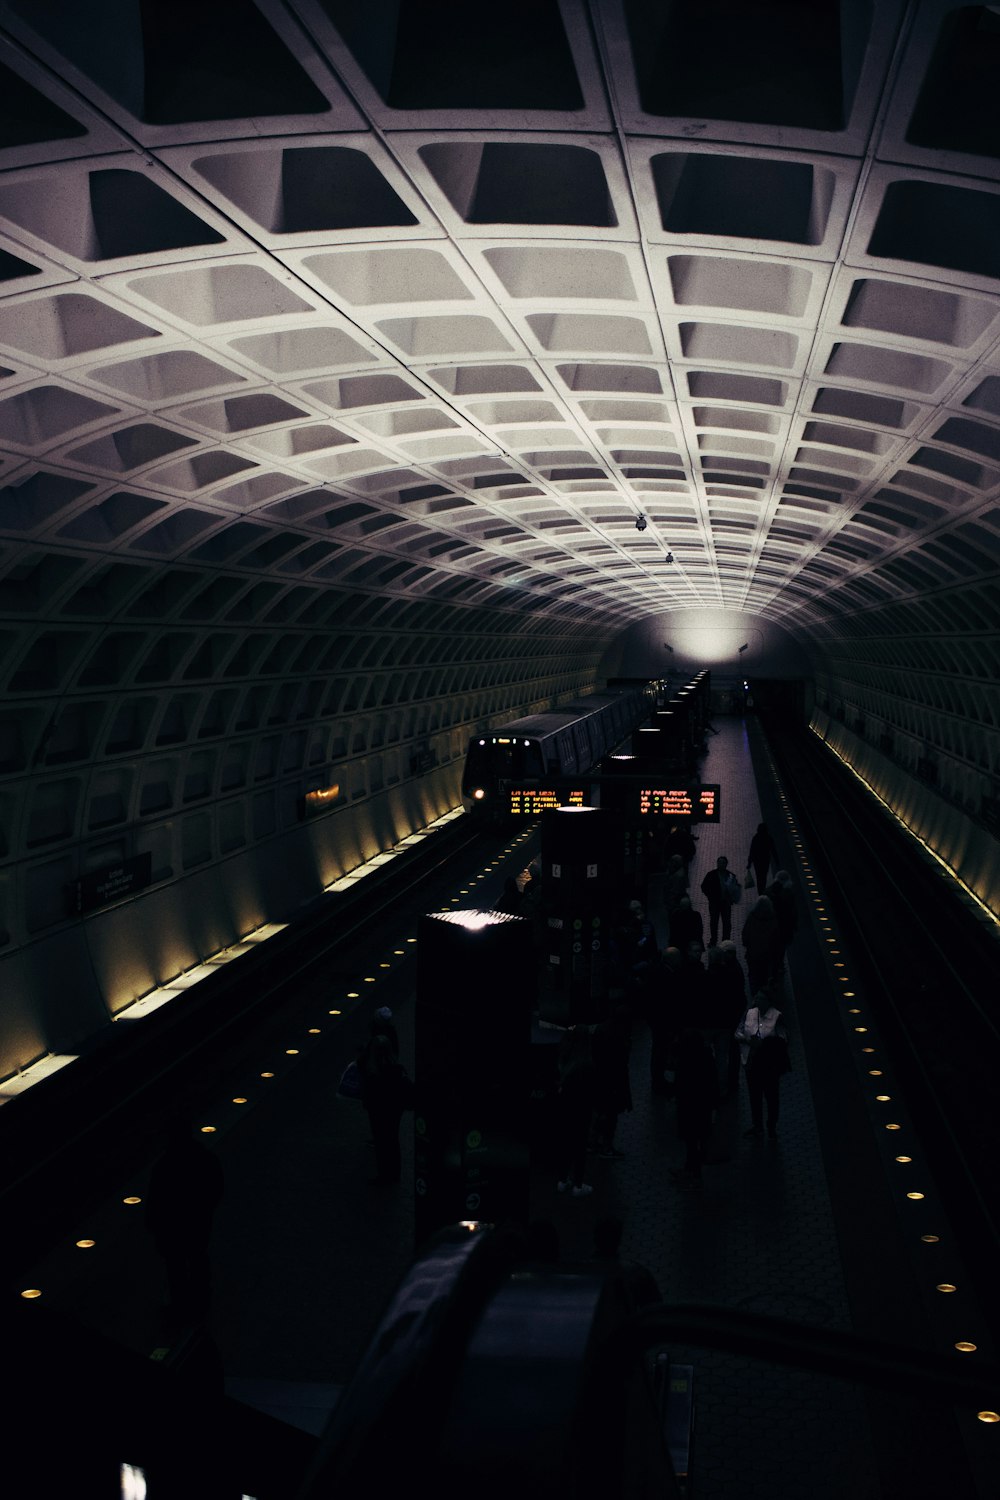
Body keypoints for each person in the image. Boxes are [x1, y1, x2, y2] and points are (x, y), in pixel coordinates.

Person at [145, 1114, 224, 1325]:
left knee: (175, 1266)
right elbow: (216, 1189)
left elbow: (156, 1199)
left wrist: (154, 1224)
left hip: (172, 1227)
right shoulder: (206, 1159)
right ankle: (200, 1298)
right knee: (197, 1257)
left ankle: (179, 1304)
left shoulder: (164, 1166)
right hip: (198, 1222)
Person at [360, 1033, 413, 1184]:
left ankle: (384, 1175)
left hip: (378, 1111)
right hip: (395, 1110)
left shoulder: (373, 1072)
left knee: (382, 1142)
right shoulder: (397, 1069)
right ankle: (394, 1174)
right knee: (392, 1140)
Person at [735, 994, 790, 1139]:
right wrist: (747, 1040)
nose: (757, 1001)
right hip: (752, 1062)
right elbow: (738, 1032)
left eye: (761, 998)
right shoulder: (749, 1014)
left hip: (770, 1064)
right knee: (755, 1096)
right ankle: (758, 1125)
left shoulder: (777, 1017)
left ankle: (771, 1125)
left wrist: (765, 1043)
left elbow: (783, 1038)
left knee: (771, 1097)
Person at [671, 1028, 718, 1187]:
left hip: (689, 1107)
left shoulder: (686, 1060)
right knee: (696, 1141)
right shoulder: (706, 1057)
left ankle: (693, 1174)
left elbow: (680, 1083)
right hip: (702, 1107)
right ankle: (690, 1170)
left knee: (692, 1142)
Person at [555, 1026, 598, 1197]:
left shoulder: (565, 1060)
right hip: (581, 1111)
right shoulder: (586, 1065)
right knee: (579, 1147)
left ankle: (562, 1179)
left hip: (565, 1109)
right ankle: (578, 1183)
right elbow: (591, 1093)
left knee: (565, 1145)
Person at [741, 894, 780, 993]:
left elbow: (745, 935)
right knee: (764, 974)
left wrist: (747, 944)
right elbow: (776, 939)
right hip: (767, 955)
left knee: (753, 974)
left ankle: (754, 994)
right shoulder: (773, 919)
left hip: (752, 954)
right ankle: (763, 994)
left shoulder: (752, 917)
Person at [700, 855, 738, 946]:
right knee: (714, 922)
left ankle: (725, 941)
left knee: (726, 923)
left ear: (726, 864)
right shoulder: (711, 875)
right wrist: (710, 897)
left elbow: (735, 889)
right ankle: (714, 940)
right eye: (719, 862)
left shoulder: (730, 876)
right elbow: (704, 886)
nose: (720, 864)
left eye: (722, 863)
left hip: (725, 903)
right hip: (715, 903)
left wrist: (731, 898)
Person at [767, 870, 798, 976]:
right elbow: (792, 912)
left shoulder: (769, 891)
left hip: (771, 926)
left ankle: (773, 966)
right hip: (784, 927)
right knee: (781, 948)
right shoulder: (788, 894)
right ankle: (779, 965)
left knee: (773, 946)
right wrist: (794, 925)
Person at [746, 822, 778, 895]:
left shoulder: (756, 838)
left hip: (757, 861)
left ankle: (760, 891)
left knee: (758, 876)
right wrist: (777, 862)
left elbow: (752, 851)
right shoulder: (769, 838)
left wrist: (749, 863)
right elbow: (773, 850)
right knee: (764, 876)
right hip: (765, 860)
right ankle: (763, 889)